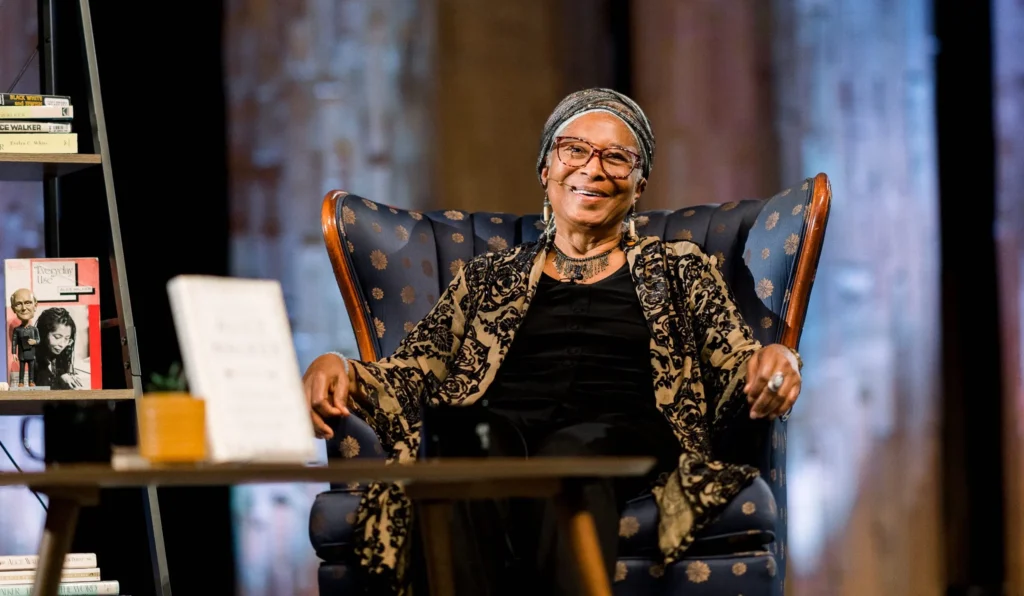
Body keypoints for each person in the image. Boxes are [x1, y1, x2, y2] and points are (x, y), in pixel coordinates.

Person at [303, 87, 803, 595]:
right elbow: (413, 372)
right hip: (500, 426)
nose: (593, 168)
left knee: (571, 454)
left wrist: (776, 356)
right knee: (461, 449)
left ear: (639, 182)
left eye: (617, 157)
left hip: (623, 430)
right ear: (547, 171)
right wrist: (339, 367)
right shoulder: (487, 277)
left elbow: (738, 360)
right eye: (575, 150)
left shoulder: (679, 268)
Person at [34, 307, 83, 390]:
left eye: (66, 338)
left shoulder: (58, 353)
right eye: (57, 337)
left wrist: (63, 374)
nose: (62, 344)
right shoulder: (32, 357)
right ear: (43, 334)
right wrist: (59, 379)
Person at [9, 288, 39, 388]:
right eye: (18, 304)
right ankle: (21, 382)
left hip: (31, 354)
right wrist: (13, 353)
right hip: (21, 354)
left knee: (31, 368)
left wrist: (35, 341)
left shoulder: (34, 329)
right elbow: (14, 342)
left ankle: (31, 381)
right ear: (13, 308)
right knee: (21, 368)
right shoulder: (17, 330)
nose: (23, 308)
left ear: (35, 305)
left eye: (28, 303)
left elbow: (39, 340)